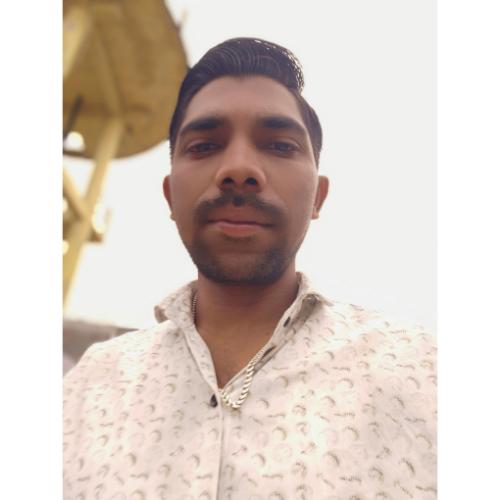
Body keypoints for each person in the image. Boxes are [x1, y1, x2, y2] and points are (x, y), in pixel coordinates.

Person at [64, 38, 436, 499]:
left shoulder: (423, 372)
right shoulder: (89, 388)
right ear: (170, 197)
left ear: (318, 197)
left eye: (279, 145)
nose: (239, 169)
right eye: (204, 146)